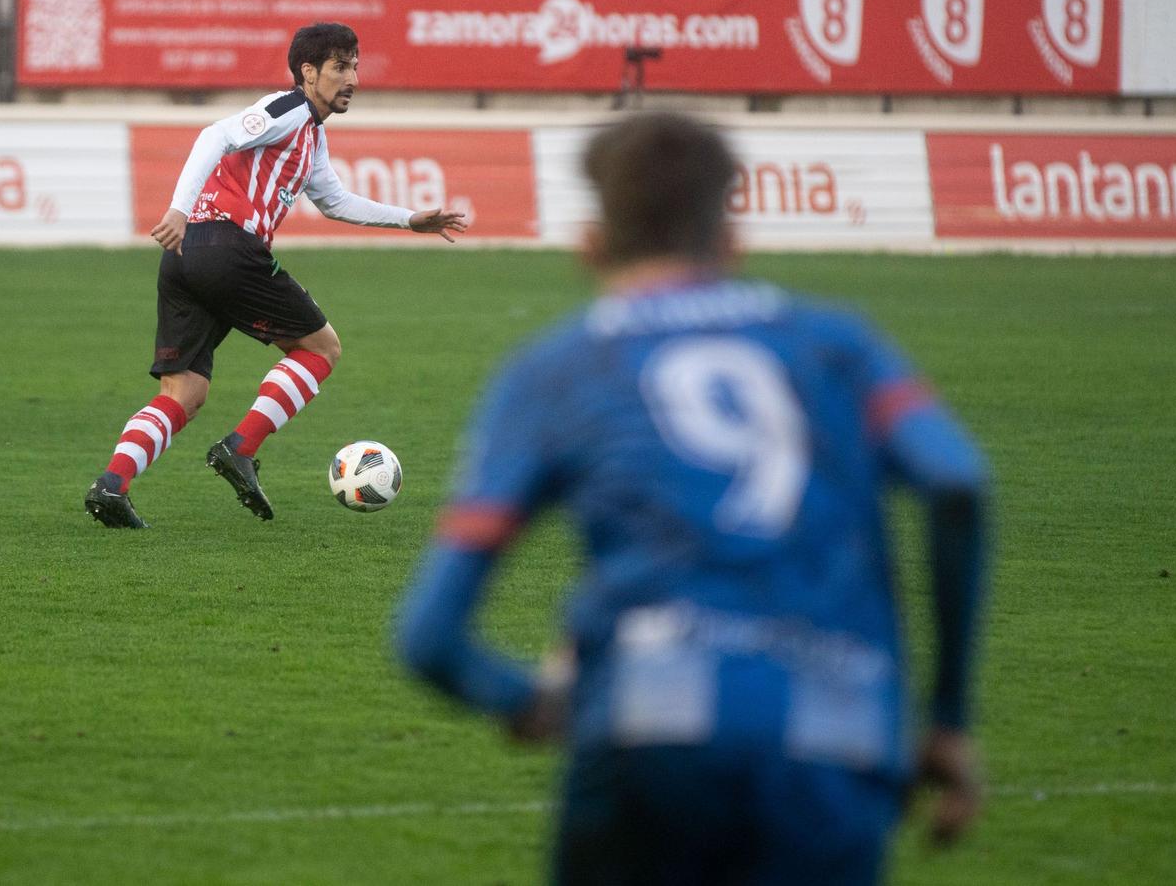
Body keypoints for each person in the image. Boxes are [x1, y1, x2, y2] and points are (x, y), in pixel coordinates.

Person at [397, 112, 990, 885]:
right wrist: (945, 718)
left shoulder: (554, 371)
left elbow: (428, 637)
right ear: (731, 243)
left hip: (648, 729)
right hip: (838, 729)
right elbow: (956, 483)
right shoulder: (839, 345)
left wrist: (533, 701)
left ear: (591, 247)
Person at [84, 23, 468, 530]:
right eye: (339, 67)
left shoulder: (312, 135)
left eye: (354, 65)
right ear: (308, 73)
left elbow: (335, 201)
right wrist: (177, 209)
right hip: (227, 245)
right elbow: (214, 135)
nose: (351, 77)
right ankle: (240, 447)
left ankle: (112, 484)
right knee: (321, 348)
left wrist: (408, 220)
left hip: (186, 257)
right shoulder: (288, 110)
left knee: (184, 394)